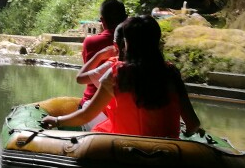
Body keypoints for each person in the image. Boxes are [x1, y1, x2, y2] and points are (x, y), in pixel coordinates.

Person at [42, 14, 202, 138]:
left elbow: (86, 115)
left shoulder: (117, 74)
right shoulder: (171, 74)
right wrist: (186, 137)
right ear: (157, 42)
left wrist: (56, 121)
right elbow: (193, 124)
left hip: (122, 151)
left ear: (127, 43)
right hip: (169, 155)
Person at [76, 0, 128, 111]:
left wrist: (99, 55)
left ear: (102, 20)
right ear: (125, 18)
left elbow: (80, 78)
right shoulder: (134, 41)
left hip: (92, 101)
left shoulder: (92, 42)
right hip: (123, 104)